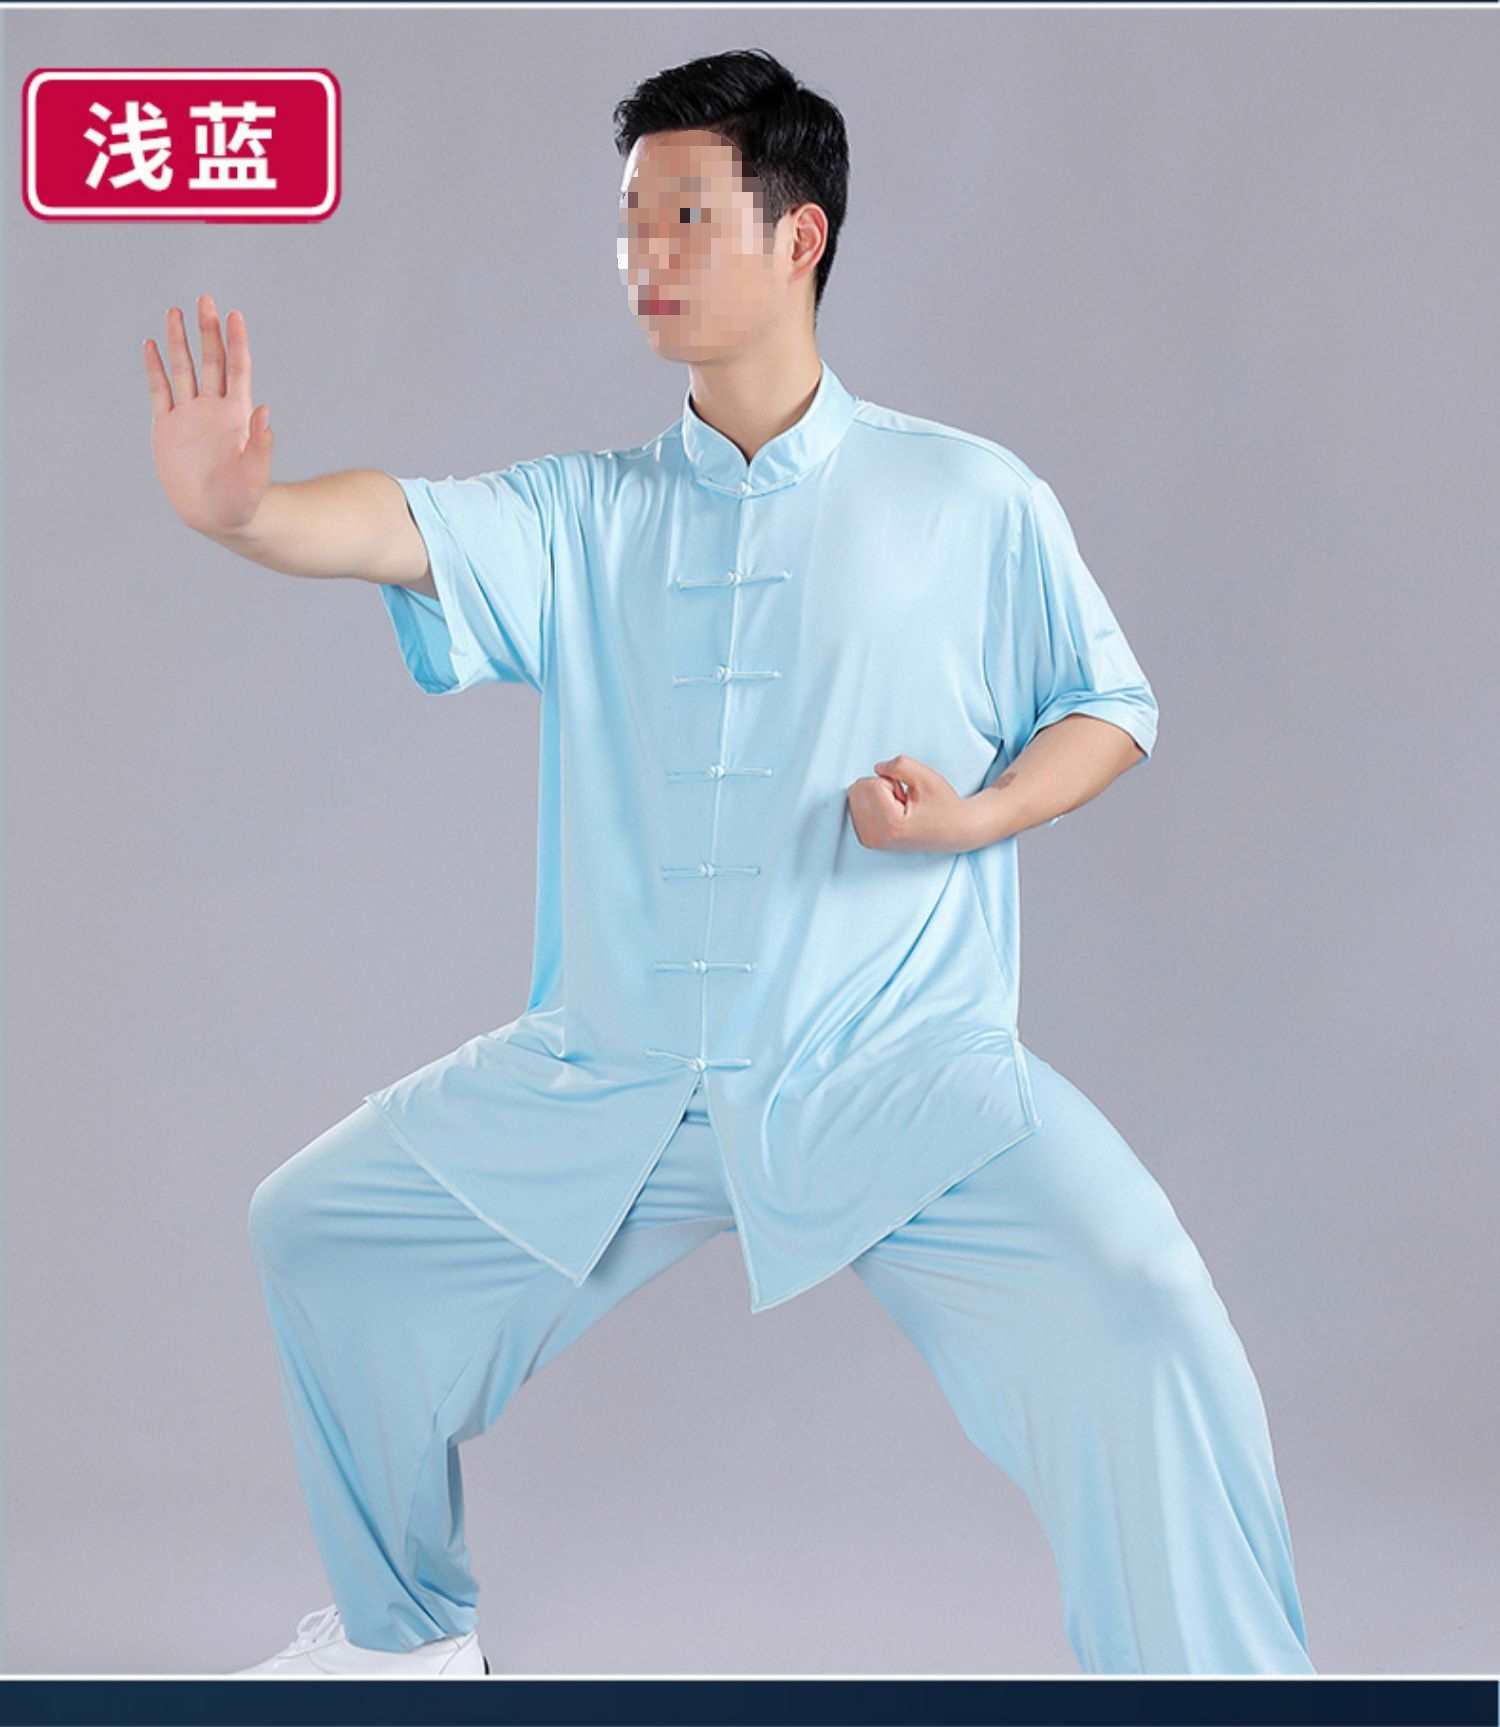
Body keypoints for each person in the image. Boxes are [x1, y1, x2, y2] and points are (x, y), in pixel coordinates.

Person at [145, 47, 1314, 1679]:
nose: (647, 253)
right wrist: (244, 511)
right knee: (321, 1231)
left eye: (687, 215)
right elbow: (394, 526)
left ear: (800, 235)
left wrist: (974, 819)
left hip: (894, 1068)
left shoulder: (967, 497)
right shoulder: (586, 514)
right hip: (615, 1074)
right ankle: (405, 1646)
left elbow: (1109, 706)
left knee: (1142, 1309)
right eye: (632, 218)